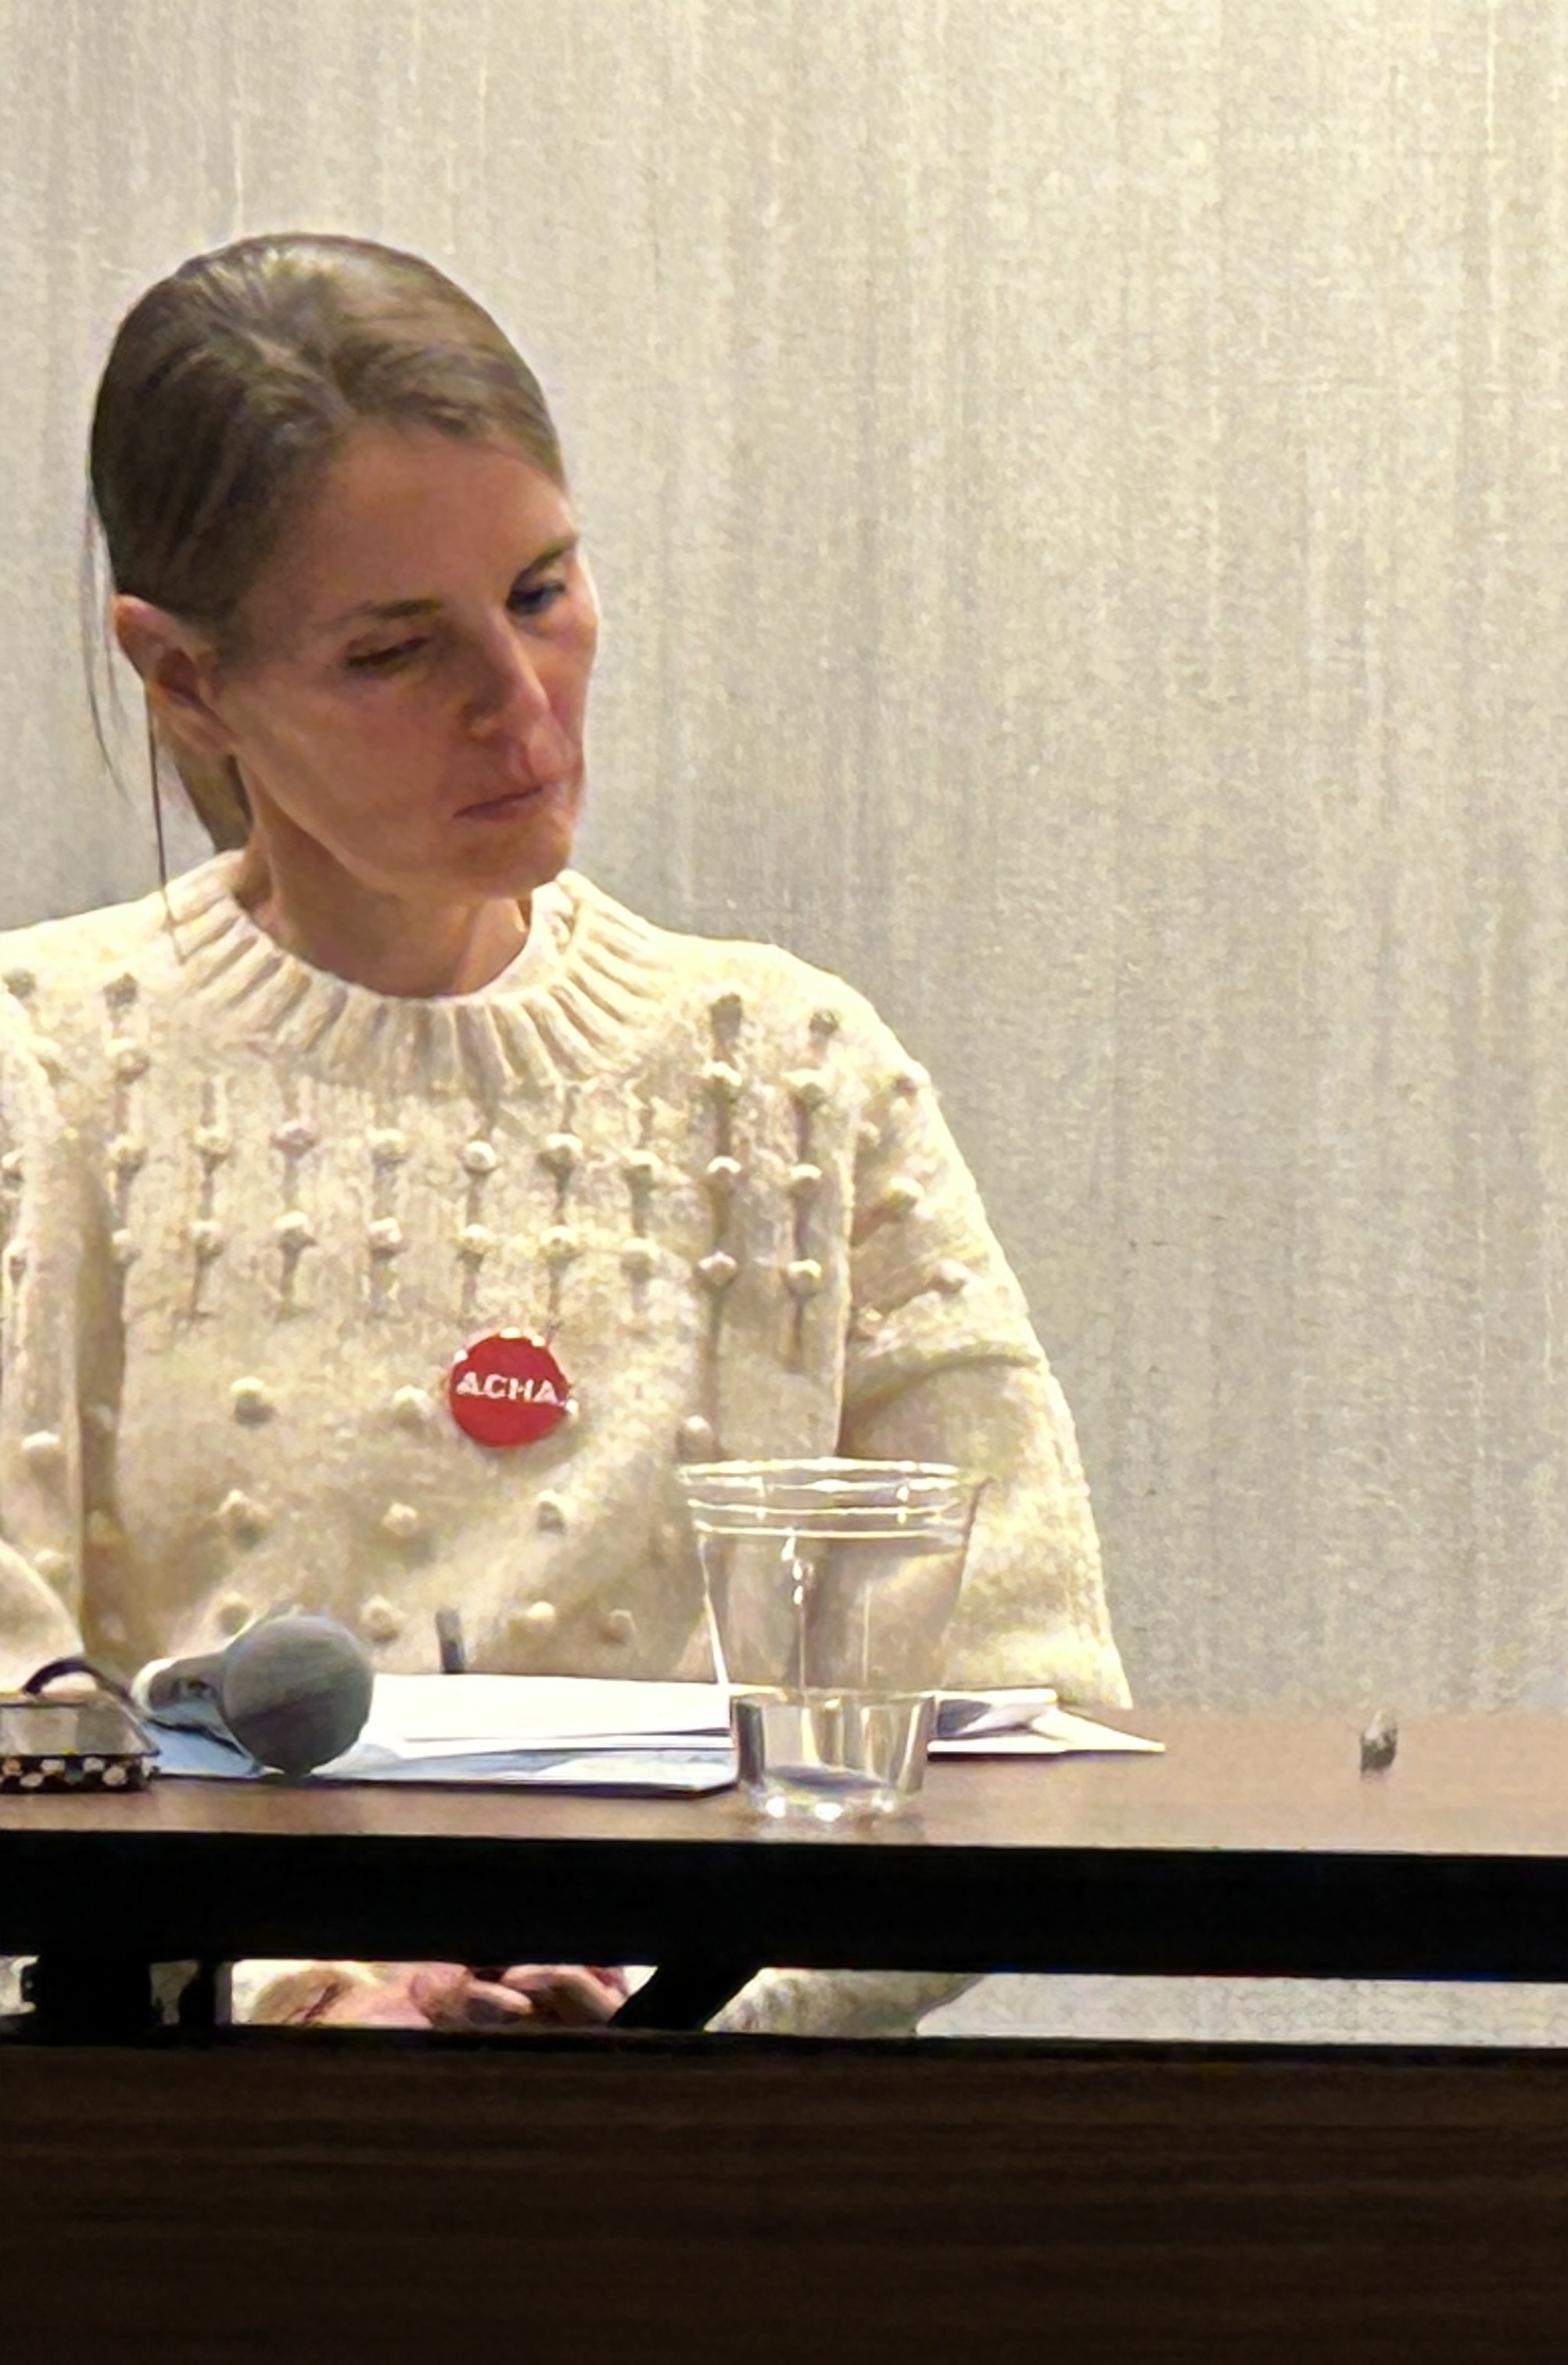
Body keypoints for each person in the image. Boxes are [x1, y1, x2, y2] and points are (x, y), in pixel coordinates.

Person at [0, 233, 1125, 2032]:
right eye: (394, 650)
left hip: (695, 2192)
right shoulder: (40, 1073)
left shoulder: (798, 1079)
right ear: (187, 679)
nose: (516, 706)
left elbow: (1024, 1705)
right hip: (171, 2190)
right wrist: (296, 1997)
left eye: (541, 591)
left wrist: (687, 2023)